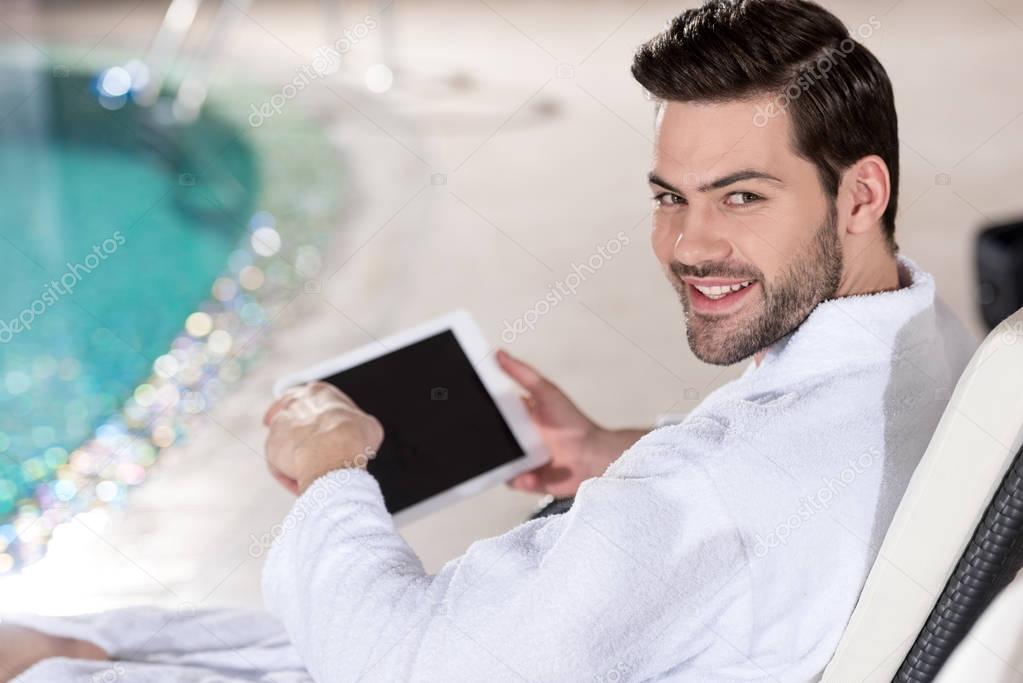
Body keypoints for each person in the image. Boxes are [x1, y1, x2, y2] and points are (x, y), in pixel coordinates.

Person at [1, 0, 977, 680]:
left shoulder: (705, 496)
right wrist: (611, 451)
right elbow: (762, 494)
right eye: (670, 197)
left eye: (742, 197)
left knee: (50, 661)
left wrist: (333, 473)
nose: (689, 243)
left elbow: (401, 666)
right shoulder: (926, 342)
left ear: (861, 192)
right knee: (60, 643)